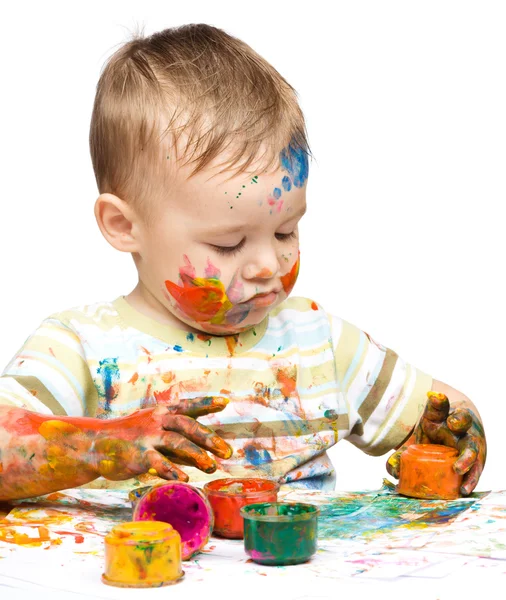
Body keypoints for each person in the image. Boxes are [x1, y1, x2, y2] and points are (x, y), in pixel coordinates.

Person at [0, 24, 485, 501]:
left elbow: (439, 414)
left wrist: (456, 435)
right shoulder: (80, 348)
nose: (266, 266)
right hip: (145, 575)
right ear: (125, 226)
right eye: (229, 244)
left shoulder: (321, 345)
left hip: (300, 577)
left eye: (284, 232)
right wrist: (103, 446)